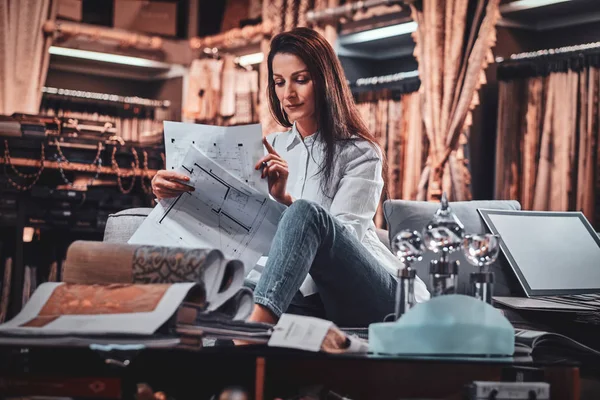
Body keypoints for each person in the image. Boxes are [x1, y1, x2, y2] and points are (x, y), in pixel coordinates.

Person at [152, 27, 429, 327]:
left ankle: (255, 330)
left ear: (325, 81)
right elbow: (234, 223)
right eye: (279, 82)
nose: (288, 94)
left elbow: (339, 241)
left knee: (304, 213)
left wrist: (285, 200)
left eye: (301, 80)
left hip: (371, 294)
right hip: (304, 297)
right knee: (213, 288)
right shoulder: (269, 148)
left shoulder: (361, 152)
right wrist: (172, 192)